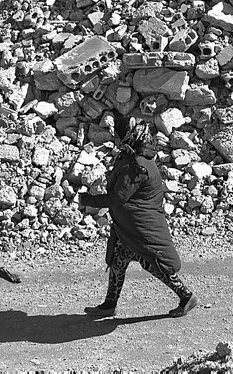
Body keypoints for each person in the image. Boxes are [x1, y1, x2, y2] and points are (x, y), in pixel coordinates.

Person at [79, 121, 198, 317]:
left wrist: (89, 199)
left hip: (139, 227)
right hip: (133, 226)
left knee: (152, 262)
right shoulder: (138, 160)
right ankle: (109, 305)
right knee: (120, 261)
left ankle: (186, 296)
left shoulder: (137, 166)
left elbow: (118, 197)